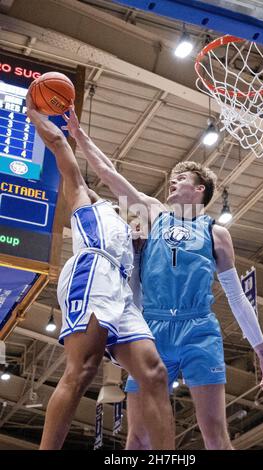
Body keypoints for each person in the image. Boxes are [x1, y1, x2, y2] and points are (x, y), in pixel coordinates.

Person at [63, 106, 263, 451]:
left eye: (181, 179)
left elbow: (236, 296)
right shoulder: (153, 212)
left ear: (199, 190)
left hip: (199, 329)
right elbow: (109, 174)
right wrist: (79, 135)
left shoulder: (216, 234)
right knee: (138, 437)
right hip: (152, 330)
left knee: (214, 432)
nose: (173, 181)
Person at [26, 89, 174, 450]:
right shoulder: (83, 200)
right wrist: (35, 113)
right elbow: (61, 146)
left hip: (121, 292)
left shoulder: (126, 233)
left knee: (155, 373)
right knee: (82, 370)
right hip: (91, 272)